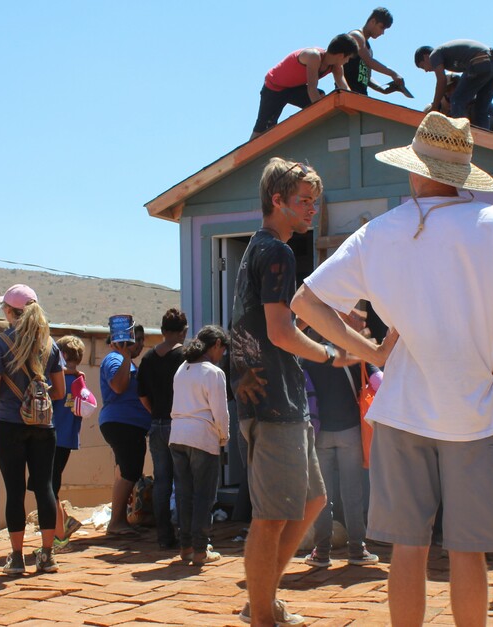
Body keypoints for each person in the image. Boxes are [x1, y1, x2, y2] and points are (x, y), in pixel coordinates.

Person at [292, 111, 493, 626]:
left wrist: (373, 353)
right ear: (461, 173)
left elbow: (306, 303)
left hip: (402, 409)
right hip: (475, 412)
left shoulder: (379, 232)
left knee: (408, 549)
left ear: (414, 168)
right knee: (468, 554)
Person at [229, 157, 363, 627]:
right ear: (277, 201)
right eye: (303, 201)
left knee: (310, 502)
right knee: (270, 518)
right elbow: (281, 334)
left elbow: (270, 328)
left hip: (273, 399)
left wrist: (330, 326)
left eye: (314, 200)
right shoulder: (278, 253)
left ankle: (262, 599)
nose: (312, 208)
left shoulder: (259, 249)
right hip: (274, 404)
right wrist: (331, 353)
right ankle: (263, 614)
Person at [0, 284, 67, 576]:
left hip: (9, 423)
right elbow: (60, 392)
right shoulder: (50, 346)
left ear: (9, 311)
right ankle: (46, 555)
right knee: (45, 488)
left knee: (14, 490)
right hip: (44, 425)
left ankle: (16, 557)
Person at [300, 312, 382, 569]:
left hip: (319, 433)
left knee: (322, 496)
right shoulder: (354, 355)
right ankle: (357, 549)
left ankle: (322, 551)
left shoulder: (309, 358)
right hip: (350, 431)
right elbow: (379, 382)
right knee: (353, 493)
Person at [169, 325, 230, 566]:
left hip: (178, 437)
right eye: (222, 350)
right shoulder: (213, 373)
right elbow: (220, 412)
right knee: (204, 496)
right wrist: (223, 437)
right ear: (216, 345)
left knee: (184, 495)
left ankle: (186, 547)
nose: (222, 355)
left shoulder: (181, 370)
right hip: (202, 438)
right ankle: (201, 550)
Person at [139, 308, 190, 550]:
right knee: (182, 479)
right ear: (185, 331)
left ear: (161, 331)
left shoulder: (148, 359)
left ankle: (164, 536)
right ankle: (185, 533)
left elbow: (142, 396)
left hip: (157, 424)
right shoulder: (186, 357)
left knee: (161, 480)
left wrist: (156, 413)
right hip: (179, 424)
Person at [251, 34, 359, 139]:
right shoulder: (314, 56)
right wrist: (323, 114)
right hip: (275, 87)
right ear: (341, 55)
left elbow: (344, 88)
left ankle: (312, 135)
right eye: (348, 58)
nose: (347, 61)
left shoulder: (336, 66)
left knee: (321, 97)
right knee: (263, 129)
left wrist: (354, 105)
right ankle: (247, 156)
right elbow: (311, 88)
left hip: (294, 88)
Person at [99, 322, 151, 537]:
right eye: (135, 339)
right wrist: (127, 357)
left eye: (140, 340)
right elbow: (118, 386)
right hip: (123, 423)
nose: (139, 344)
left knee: (125, 471)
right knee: (130, 470)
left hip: (130, 424)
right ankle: (117, 521)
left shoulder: (126, 362)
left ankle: (119, 520)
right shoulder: (115, 359)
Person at [52, 335, 97, 549]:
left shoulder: (58, 378)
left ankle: (60, 535)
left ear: (64, 355)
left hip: (52, 437)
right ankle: (63, 524)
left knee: (48, 486)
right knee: (52, 484)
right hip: (68, 438)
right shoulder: (79, 380)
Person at [415, 40, 493, 130]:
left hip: (482, 61)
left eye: (423, 66)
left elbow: (442, 81)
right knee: (481, 108)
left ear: (425, 57)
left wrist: (435, 107)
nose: (426, 71)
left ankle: (460, 136)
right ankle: (483, 138)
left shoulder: (434, 55)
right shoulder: (452, 56)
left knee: (457, 100)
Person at [343, 8, 407, 98]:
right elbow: (369, 61)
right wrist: (393, 74)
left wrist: (383, 89)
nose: (382, 32)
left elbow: (367, 78)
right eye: (381, 27)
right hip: (346, 93)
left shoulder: (369, 50)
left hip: (361, 96)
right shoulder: (356, 36)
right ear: (373, 21)